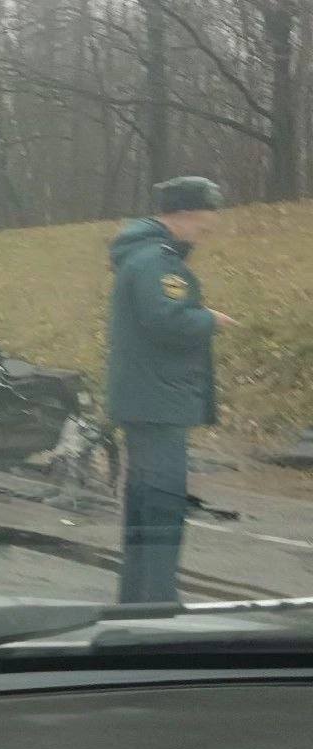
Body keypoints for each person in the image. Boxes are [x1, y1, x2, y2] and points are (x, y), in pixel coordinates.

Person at [107, 176, 238, 604]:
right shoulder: (156, 262)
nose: (207, 228)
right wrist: (208, 320)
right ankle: (159, 600)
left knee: (144, 502)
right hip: (159, 401)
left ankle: (138, 597)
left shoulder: (140, 256)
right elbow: (165, 321)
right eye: (203, 218)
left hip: (145, 398)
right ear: (182, 214)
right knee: (162, 504)